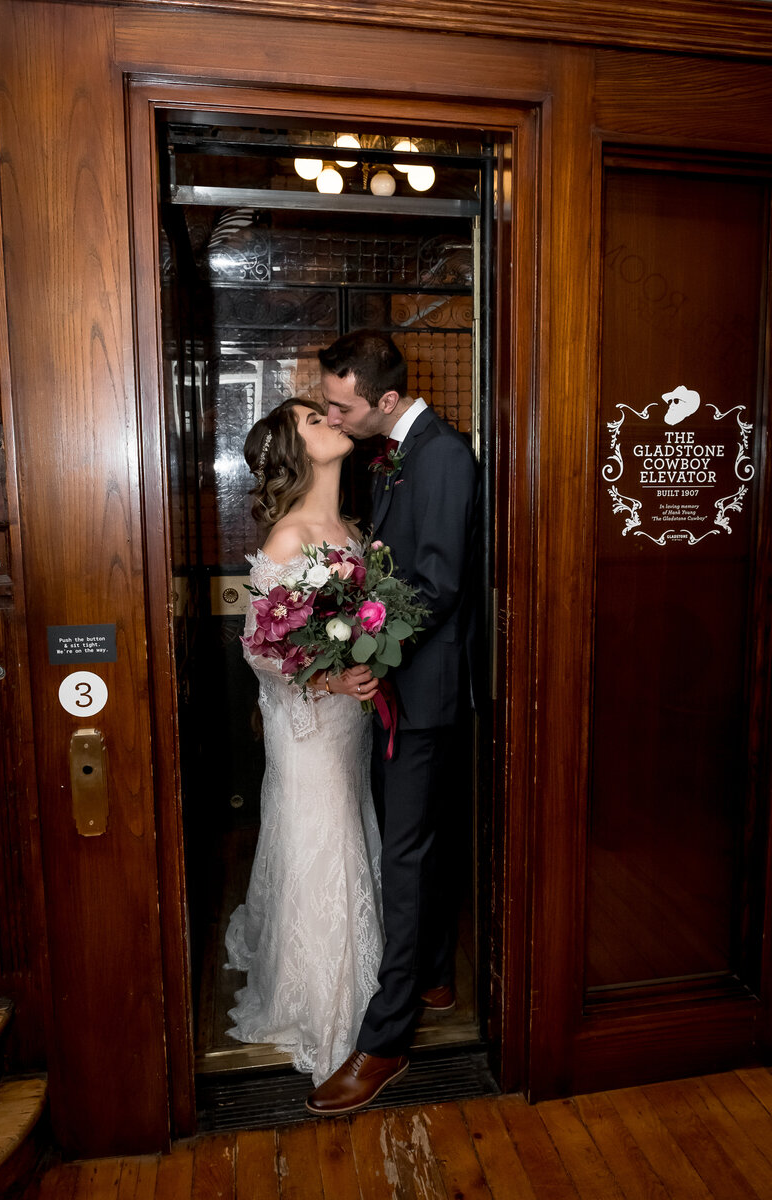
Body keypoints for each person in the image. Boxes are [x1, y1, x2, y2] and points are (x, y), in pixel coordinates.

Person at [306, 330, 478, 1116]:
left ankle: (386, 1042)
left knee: (405, 858)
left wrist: (377, 651)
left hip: (425, 690)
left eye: (340, 403)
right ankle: (436, 970)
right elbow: (393, 564)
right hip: (405, 684)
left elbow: (437, 582)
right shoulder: (396, 452)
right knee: (425, 837)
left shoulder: (442, 454)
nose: (330, 413)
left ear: (384, 400)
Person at [224, 397, 384, 1086]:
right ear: (297, 450)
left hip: (350, 723)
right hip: (310, 727)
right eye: (314, 420)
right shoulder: (289, 537)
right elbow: (260, 649)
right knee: (326, 838)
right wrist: (331, 681)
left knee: (352, 826)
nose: (331, 420)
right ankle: (332, 1008)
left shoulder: (350, 527)